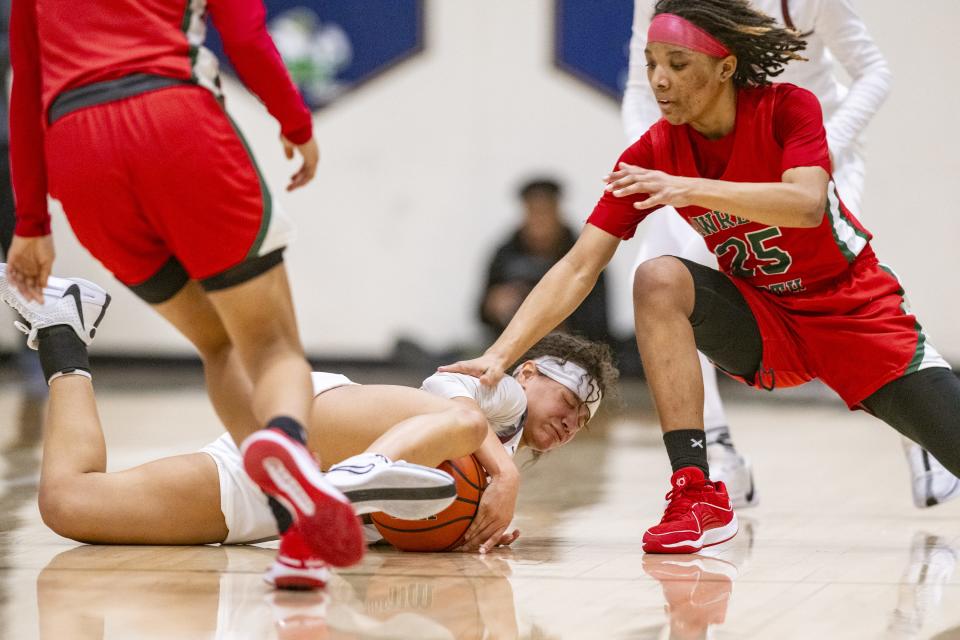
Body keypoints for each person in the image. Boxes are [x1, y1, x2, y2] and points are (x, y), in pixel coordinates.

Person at [442, 0, 960, 554]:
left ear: (725, 66)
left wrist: (687, 188)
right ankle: (697, 493)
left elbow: (806, 203)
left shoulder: (791, 107)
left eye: (679, 64)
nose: (660, 80)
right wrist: (500, 355)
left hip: (852, 315)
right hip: (766, 320)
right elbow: (578, 264)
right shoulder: (656, 149)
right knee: (657, 277)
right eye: (651, 63)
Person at [5, 0, 378, 573]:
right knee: (271, 347)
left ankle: (297, 535)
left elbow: (25, 83)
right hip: (172, 116)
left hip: (77, 148)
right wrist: (296, 123)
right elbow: (247, 36)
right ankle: (286, 445)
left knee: (218, 344)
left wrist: (31, 223)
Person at [0, 264, 616, 589]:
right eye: (571, 397)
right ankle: (357, 475)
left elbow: (404, 530)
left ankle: (61, 329)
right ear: (530, 370)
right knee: (458, 419)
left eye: (584, 421)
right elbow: (448, 395)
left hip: (273, 494)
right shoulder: (501, 392)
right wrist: (501, 471)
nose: (572, 420)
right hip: (324, 426)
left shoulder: (500, 449)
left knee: (69, 504)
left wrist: (463, 531)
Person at [622, 0, 958, 511]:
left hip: (812, 154)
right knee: (657, 269)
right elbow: (635, 87)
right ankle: (715, 452)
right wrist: (661, 176)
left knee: (832, 292)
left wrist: (824, 148)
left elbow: (874, 71)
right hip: (709, 162)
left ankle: (918, 422)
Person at [479, 178, 612, 344]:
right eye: (534, 212)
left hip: (571, 348)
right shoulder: (505, 254)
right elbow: (481, 310)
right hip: (511, 345)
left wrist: (556, 313)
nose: (540, 222)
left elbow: (600, 319)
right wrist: (494, 305)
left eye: (545, 212)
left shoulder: (584, 253)